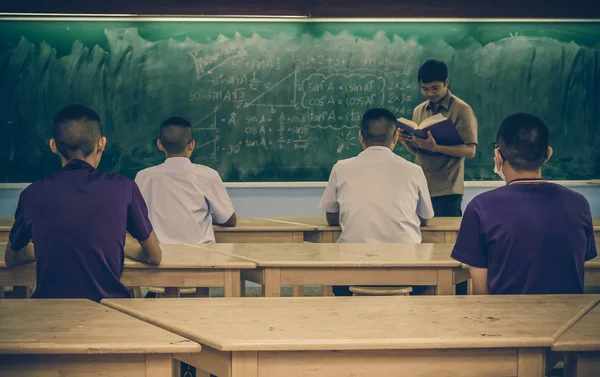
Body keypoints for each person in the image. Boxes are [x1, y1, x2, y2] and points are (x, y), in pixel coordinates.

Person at [5, 104, 162, 302]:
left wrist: (48, 246)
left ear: (53, 146)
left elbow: (12, 258)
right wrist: (121, 247)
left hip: (48, 312)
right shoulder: (125, 188)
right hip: (108, 309)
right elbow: (154, 256)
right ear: (101, 144)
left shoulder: (31, 194)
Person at [451, 113, 597, 294]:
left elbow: (481, 294)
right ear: (548, 154)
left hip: (507, 320)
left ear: (498, 156)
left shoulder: (480, 208)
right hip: (571, 319)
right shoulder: (579, 204)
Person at [319, 108, 434, 296]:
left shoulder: (341, 168)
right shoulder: (413, 170)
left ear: (361, 137)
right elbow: (426, 218)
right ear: (396, 137)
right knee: (428, 278)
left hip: (352, 273)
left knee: (338, 279)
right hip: (407, 272)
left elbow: (331, 217)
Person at [135, 116, 236, 245]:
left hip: (161, 255)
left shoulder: (143, 177)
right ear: (192, 144)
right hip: (203, 256)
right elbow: (228, 219)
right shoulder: (208, 176)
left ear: (160, 144)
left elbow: (136, 218)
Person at [398, 59, 478, 217]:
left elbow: (470, 151)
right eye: (425, 89)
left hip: (447, 190)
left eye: (435, 88)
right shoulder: (419, 110)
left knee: (447, 237)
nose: (430, 93)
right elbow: (418, 152)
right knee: (421, 238)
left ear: (446, 82)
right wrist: (405, 140)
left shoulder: (462, 110)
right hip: (421, 186)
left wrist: (436, 147)